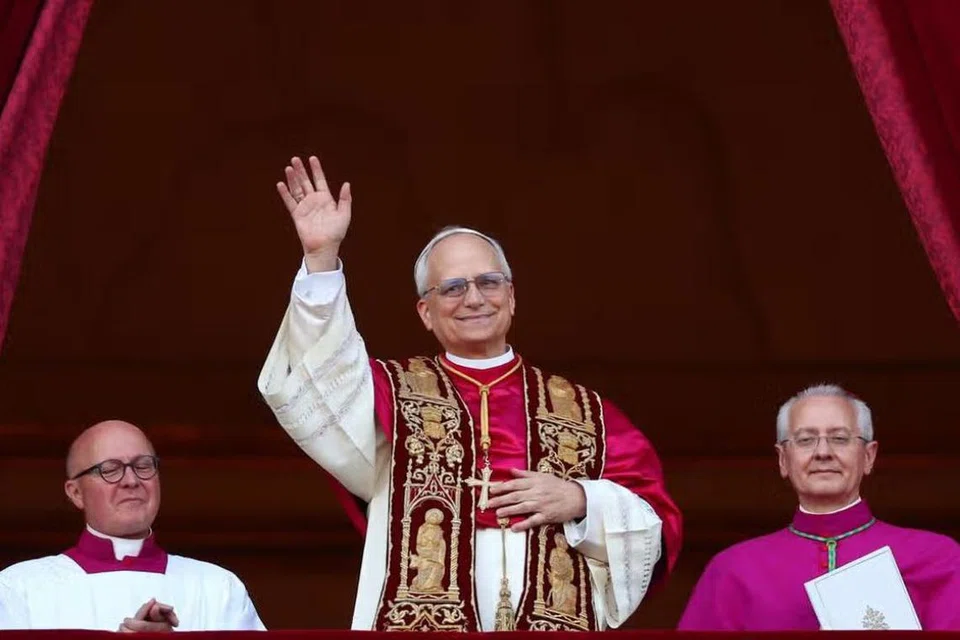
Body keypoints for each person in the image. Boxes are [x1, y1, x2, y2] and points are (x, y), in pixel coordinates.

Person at [257, 155, 683, 632]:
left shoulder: (587, 413)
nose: (475, 298)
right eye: (453, 288)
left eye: (488, 282)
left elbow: (657, 526)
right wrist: (321, 260)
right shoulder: (386, 395)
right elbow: (321, 377)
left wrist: (582, 500)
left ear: (512, 296)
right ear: (425, 311)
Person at [678, 384, 960, 630]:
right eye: (805, 440)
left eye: (839, 438)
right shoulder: (733, 569)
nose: (823, 452)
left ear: (869, 456)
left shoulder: (937, 558)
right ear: (783, 460)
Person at [0, 420, 266, 632]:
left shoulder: (217, 588)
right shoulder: (19, 589)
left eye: (143, 466)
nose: (131, 480)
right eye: (110, 469)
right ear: (76, 493)